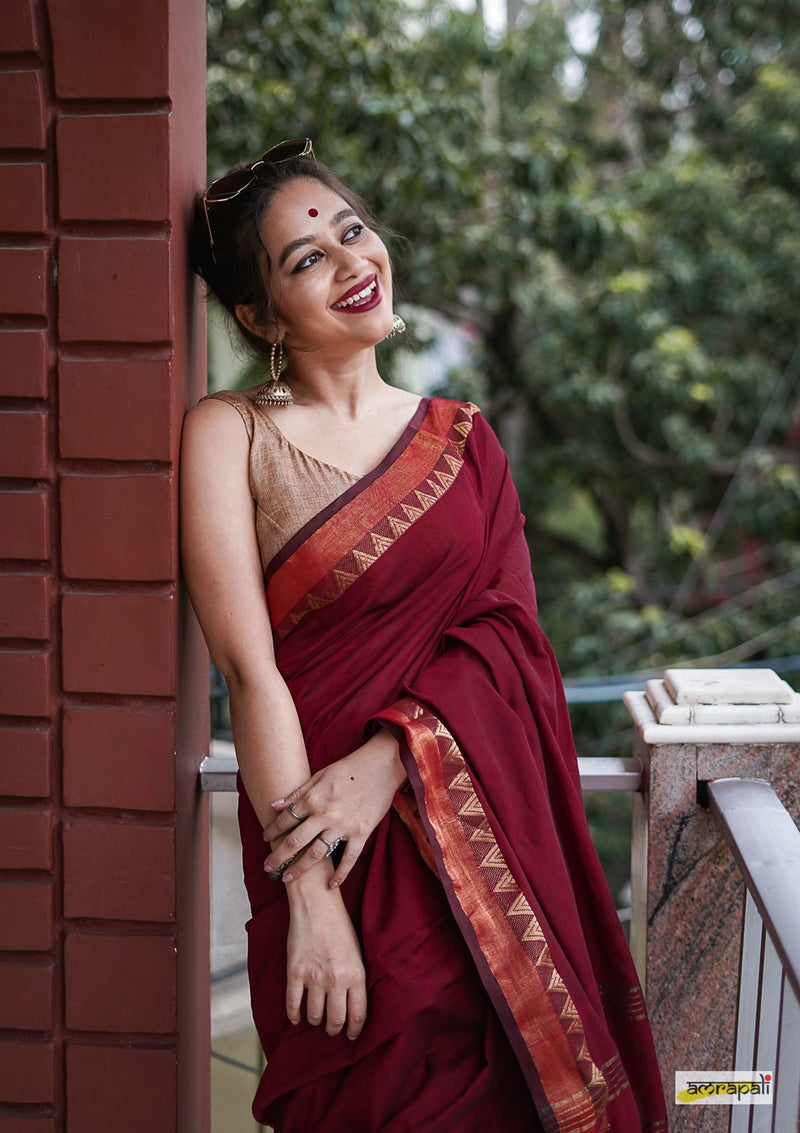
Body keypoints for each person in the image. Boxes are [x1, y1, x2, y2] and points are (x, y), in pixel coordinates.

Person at [181, 138, 667, 1132]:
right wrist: (310, 898)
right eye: (305, 258)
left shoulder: (463, 440)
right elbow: (250, 671)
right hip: (324, 863)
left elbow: (509, 642)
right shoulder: (229, 431)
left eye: (351, 230)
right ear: (259, 316)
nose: (351, 259)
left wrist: (392, 756)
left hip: (471, 873)